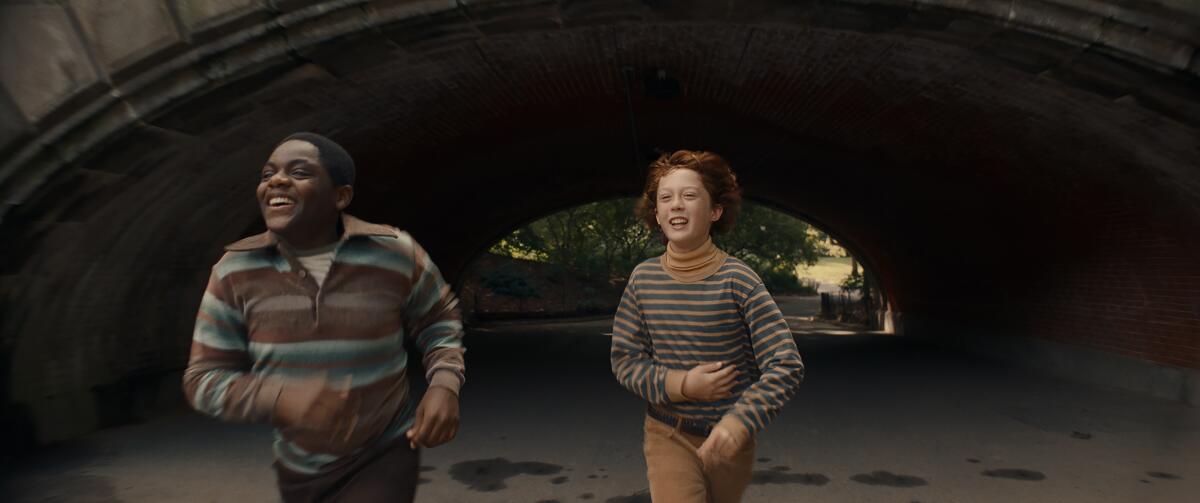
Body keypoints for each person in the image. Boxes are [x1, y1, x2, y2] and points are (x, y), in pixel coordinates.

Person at [183, 132, 465, 502]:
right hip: (298, 468)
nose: (276, 181)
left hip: (384, 451)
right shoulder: (233, 270)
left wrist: (445, 383)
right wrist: (279, 397)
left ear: (340, 196)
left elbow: (438, 319)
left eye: (299, 172)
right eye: (268, 174)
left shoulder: (394, 251)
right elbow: (203, 378)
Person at [610, 150, 805, 502]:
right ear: (656, 213)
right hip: (667, 432)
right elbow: (624, 360)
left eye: (689, 195)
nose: (676, 205)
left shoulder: (739, 280)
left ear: (716, 210)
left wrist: (740, 422)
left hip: (729, 441)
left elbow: (786, 364)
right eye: (665, 198)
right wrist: (682, 384)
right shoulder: (643, 279)